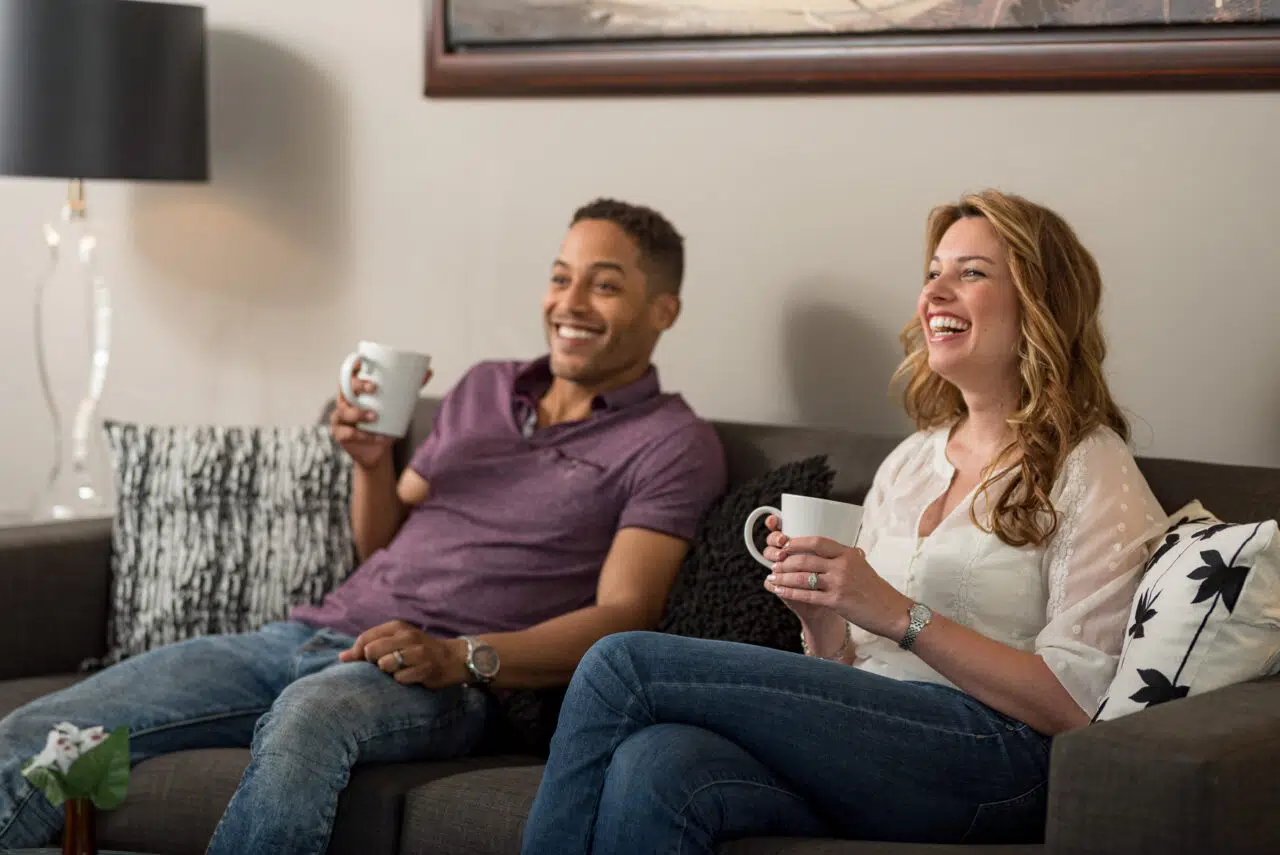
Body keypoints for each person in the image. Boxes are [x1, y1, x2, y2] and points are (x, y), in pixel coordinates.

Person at [0, 198, 727, 855]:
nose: (570, 302)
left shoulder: (671, 442)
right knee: (48, 727)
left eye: (604, 284)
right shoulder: (483, 387)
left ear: (664, 309)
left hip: (434, 676)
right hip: (305, 635)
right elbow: (380, 541)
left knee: (309, 717)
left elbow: (625, 614)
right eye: (560, 276)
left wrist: (458, 657)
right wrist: (371, 462)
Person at [520, 190, 1169, 854]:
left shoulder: (1090, 465)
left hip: (999, 758)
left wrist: (896, 612)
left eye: (971, 272)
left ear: (1040, 300)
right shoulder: (912, 461)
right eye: (932, 273)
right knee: (657, 764)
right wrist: (823, 620)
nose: (936, 291)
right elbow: (854, 669)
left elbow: (1074, 702)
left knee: (620, 664)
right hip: (878, 746)